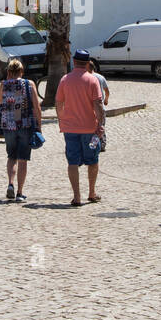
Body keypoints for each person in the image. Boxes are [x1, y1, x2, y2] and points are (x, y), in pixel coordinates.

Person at [55, 49, 106, 207]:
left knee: (72, 161)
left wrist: (61, 119)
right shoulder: (92, 80)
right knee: (93, 160)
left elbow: (59, 103)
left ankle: (76, 196)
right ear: (87, 62)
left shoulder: (65, 79)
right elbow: (98, 104)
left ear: (74, 61)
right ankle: (91, 192)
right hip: (90, 129)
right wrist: (100, 122)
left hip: (70, 129)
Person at [0, 58, 42, 202]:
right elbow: (36, 106)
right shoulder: (29, 84)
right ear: (22, 71)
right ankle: (20, 192)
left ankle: (10, 183)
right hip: (25, 125)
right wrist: (39, 124)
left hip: (8, 126)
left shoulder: (3, 84)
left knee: (11, 157)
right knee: (23, 159)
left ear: (9, 72)